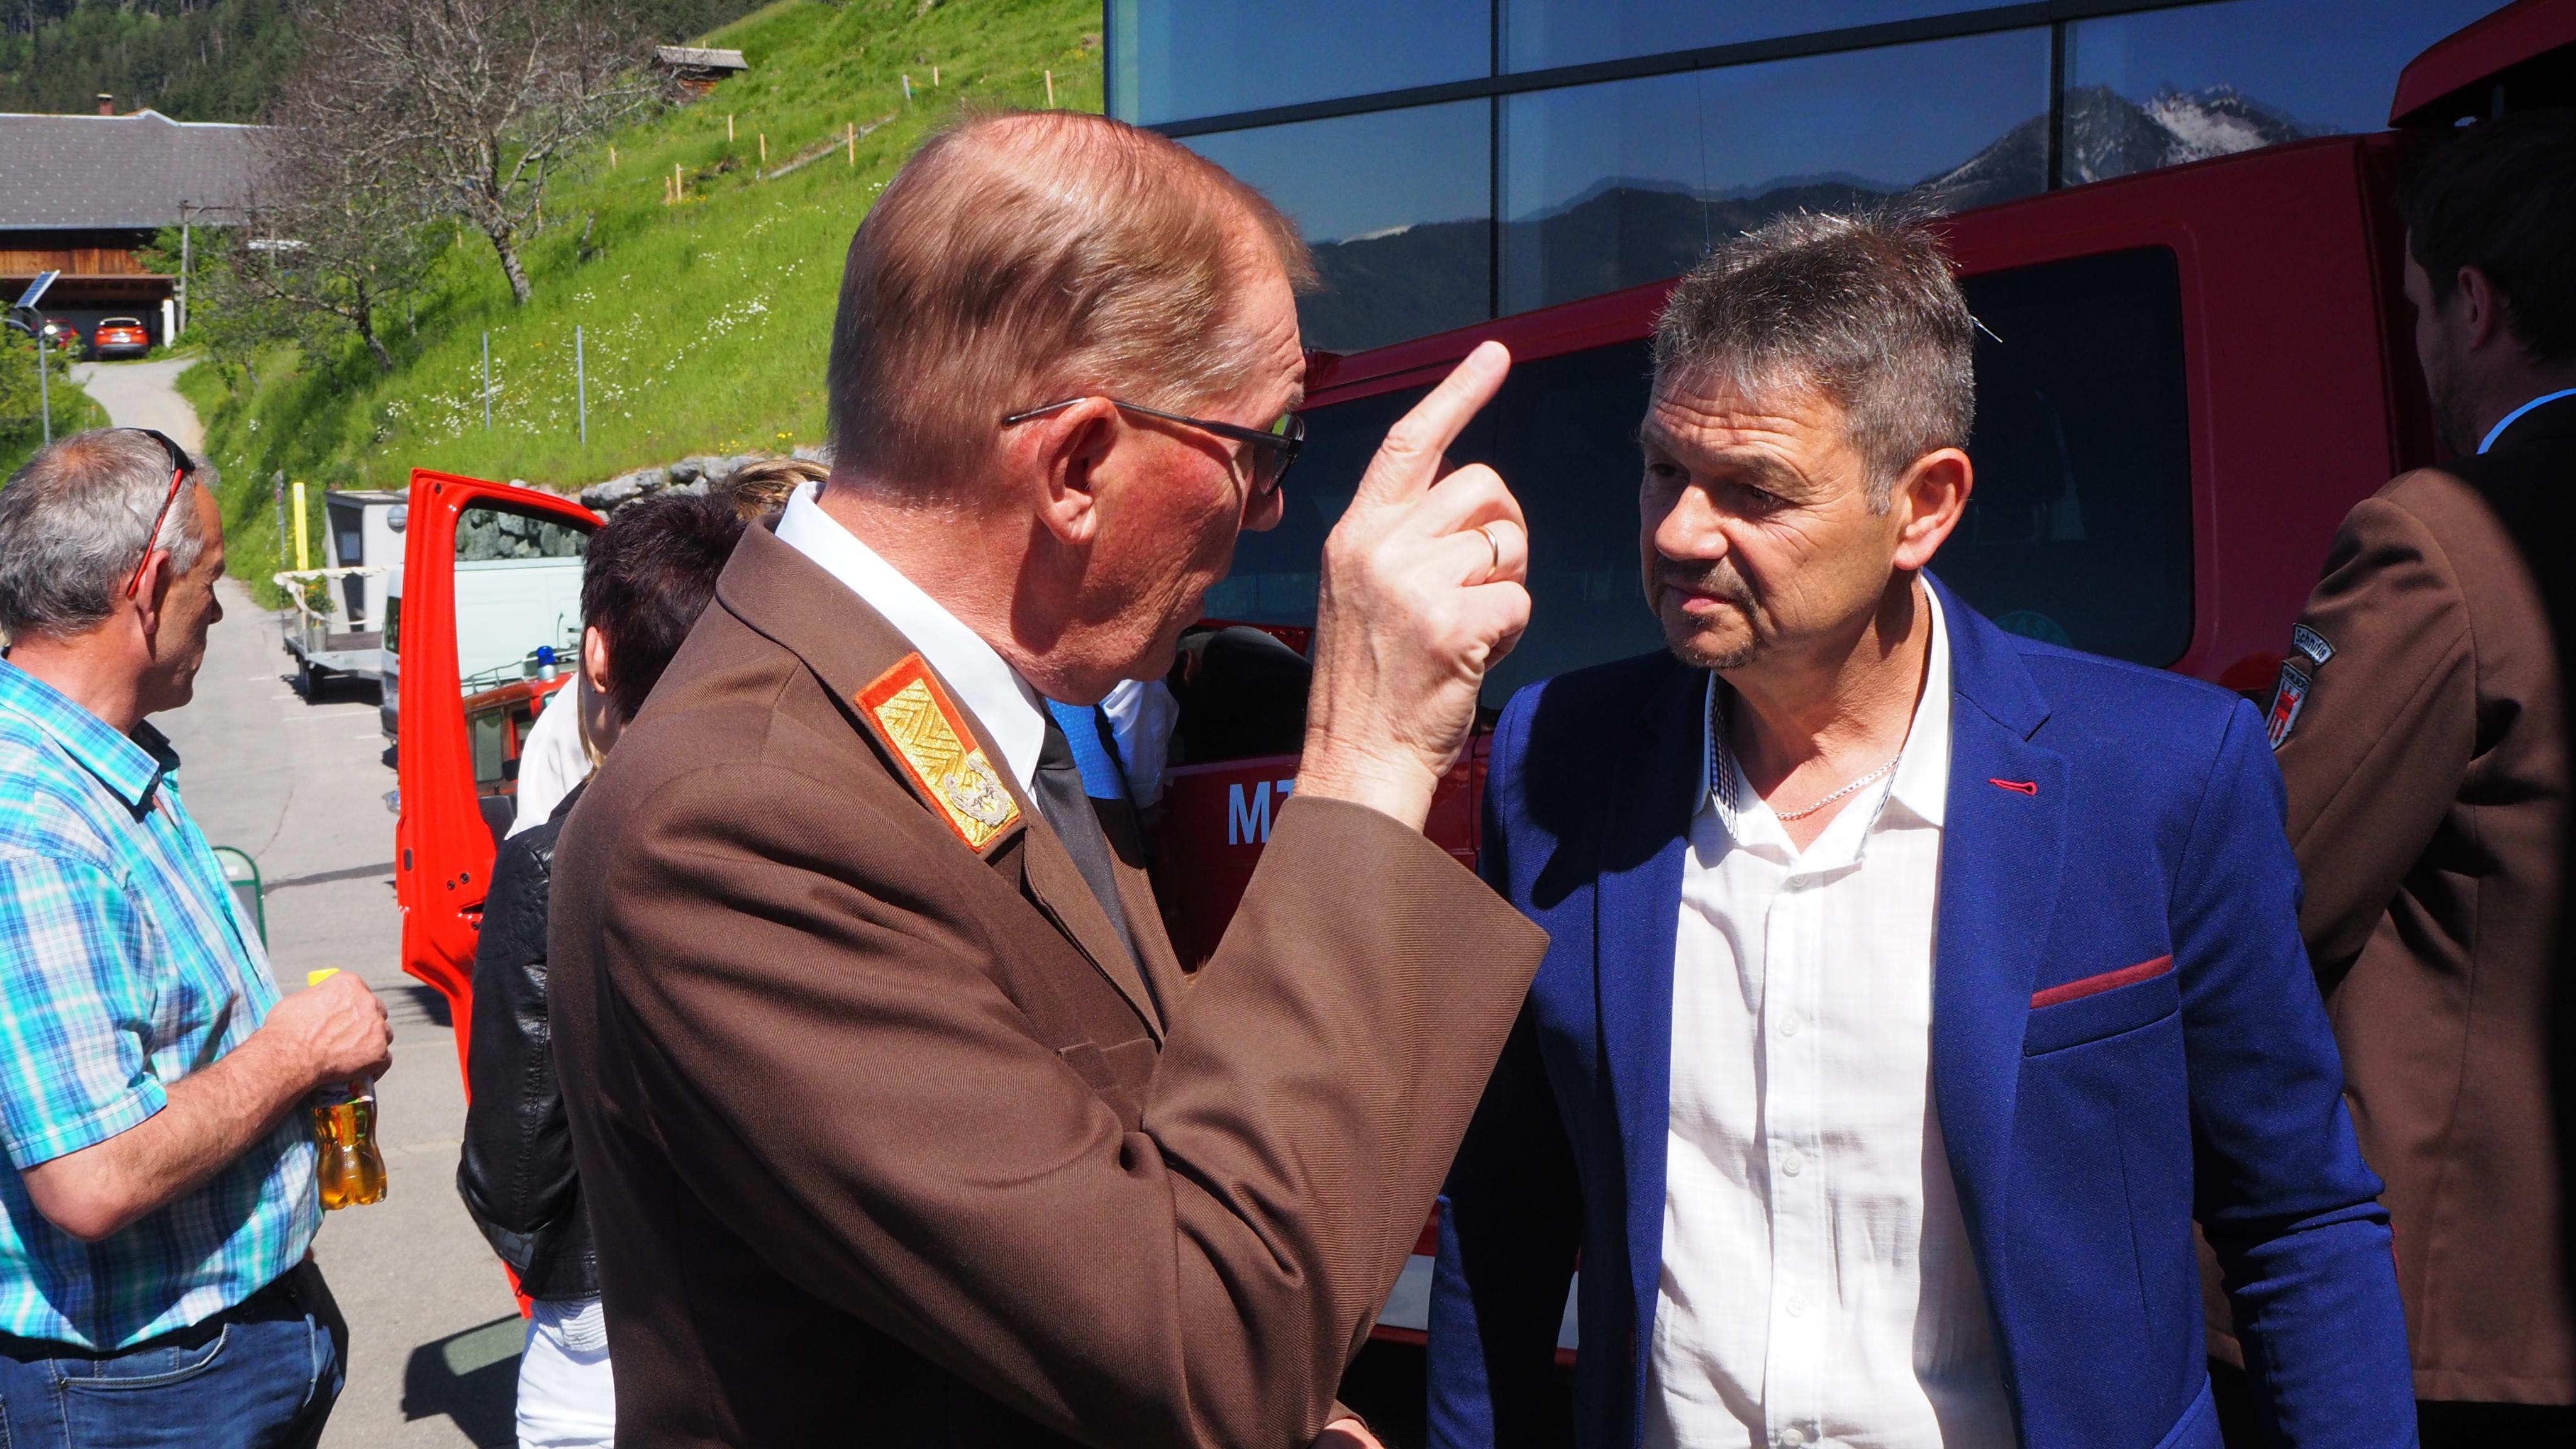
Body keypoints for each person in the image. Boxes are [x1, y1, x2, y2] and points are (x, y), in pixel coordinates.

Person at [547, 109, 1545, 1448]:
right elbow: (1203, 1350)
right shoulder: (732, 822)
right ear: (1076, 464)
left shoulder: (944, 715)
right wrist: (1367, 756)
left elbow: (1123, 1188)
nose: (1269, 508)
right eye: (1265, 445)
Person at [1426, 212, 2416, 1449]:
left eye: (1752, 491)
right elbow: (1506, 1202)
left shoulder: (2159, 777)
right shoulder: (1558, 756)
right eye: (1663, 470)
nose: (1678, 532)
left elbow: (2294, 1220)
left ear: (1922, 506)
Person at [2255, 110, 2576, 1444]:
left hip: (2469, 1309)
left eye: (2417, 307)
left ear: (2473, 303)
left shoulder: (2442, 540)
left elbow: (2276, 882)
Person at [0, 429, 392, 1448]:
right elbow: (94, 1175)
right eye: (209, 581)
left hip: (205, 1352)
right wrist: (300, 1052)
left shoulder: (106, 761)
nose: (217, 609)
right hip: (142, 1391)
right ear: (146, 588)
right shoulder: (31, 829)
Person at [457, 492, 747, 1449]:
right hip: (797, 1314)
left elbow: (513, 1174)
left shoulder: (551, 862)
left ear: (595, 655)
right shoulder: (814, 825)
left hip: (604, 1325)